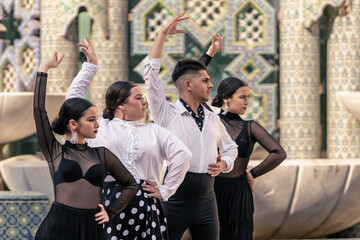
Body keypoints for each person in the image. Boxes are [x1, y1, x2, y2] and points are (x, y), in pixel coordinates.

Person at [66, 37, 192, 240]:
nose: (144, 103)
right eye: (138, 98)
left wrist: (165, 190)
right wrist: (90, 67)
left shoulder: (153, 130)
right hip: (105, 204)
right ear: (121, 104)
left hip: (143, 204)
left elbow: (183, 155)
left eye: (144, 98)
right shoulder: (99, 126)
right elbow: (72, 101)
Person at [144, 13, 238, 240]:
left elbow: (231, 148)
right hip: (174, 199)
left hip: (208, 202)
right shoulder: (167, 114)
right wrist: (162, 34)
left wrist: (225, 163)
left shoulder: (213, 118)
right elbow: (150, 77)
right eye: (205, 81)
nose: (211, 85)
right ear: (187, 85)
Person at [33, 51, 138, 240]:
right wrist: (44, 69)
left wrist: (110, 212)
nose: (97, 124)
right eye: (91, 120)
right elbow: (38, 110)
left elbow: (131, 184)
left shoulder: (102, 154)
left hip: (92, 228)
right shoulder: (55, 151)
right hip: (58, 227)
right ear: (73, 124)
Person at [210, 77, 287, 240]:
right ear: (226, 99)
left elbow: (279, 153)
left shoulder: (250, 127)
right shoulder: (210, 122)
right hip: (211, 191)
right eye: (242, 97)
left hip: (239, 193)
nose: (247, 102)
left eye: (248, 97)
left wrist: (252, 174)